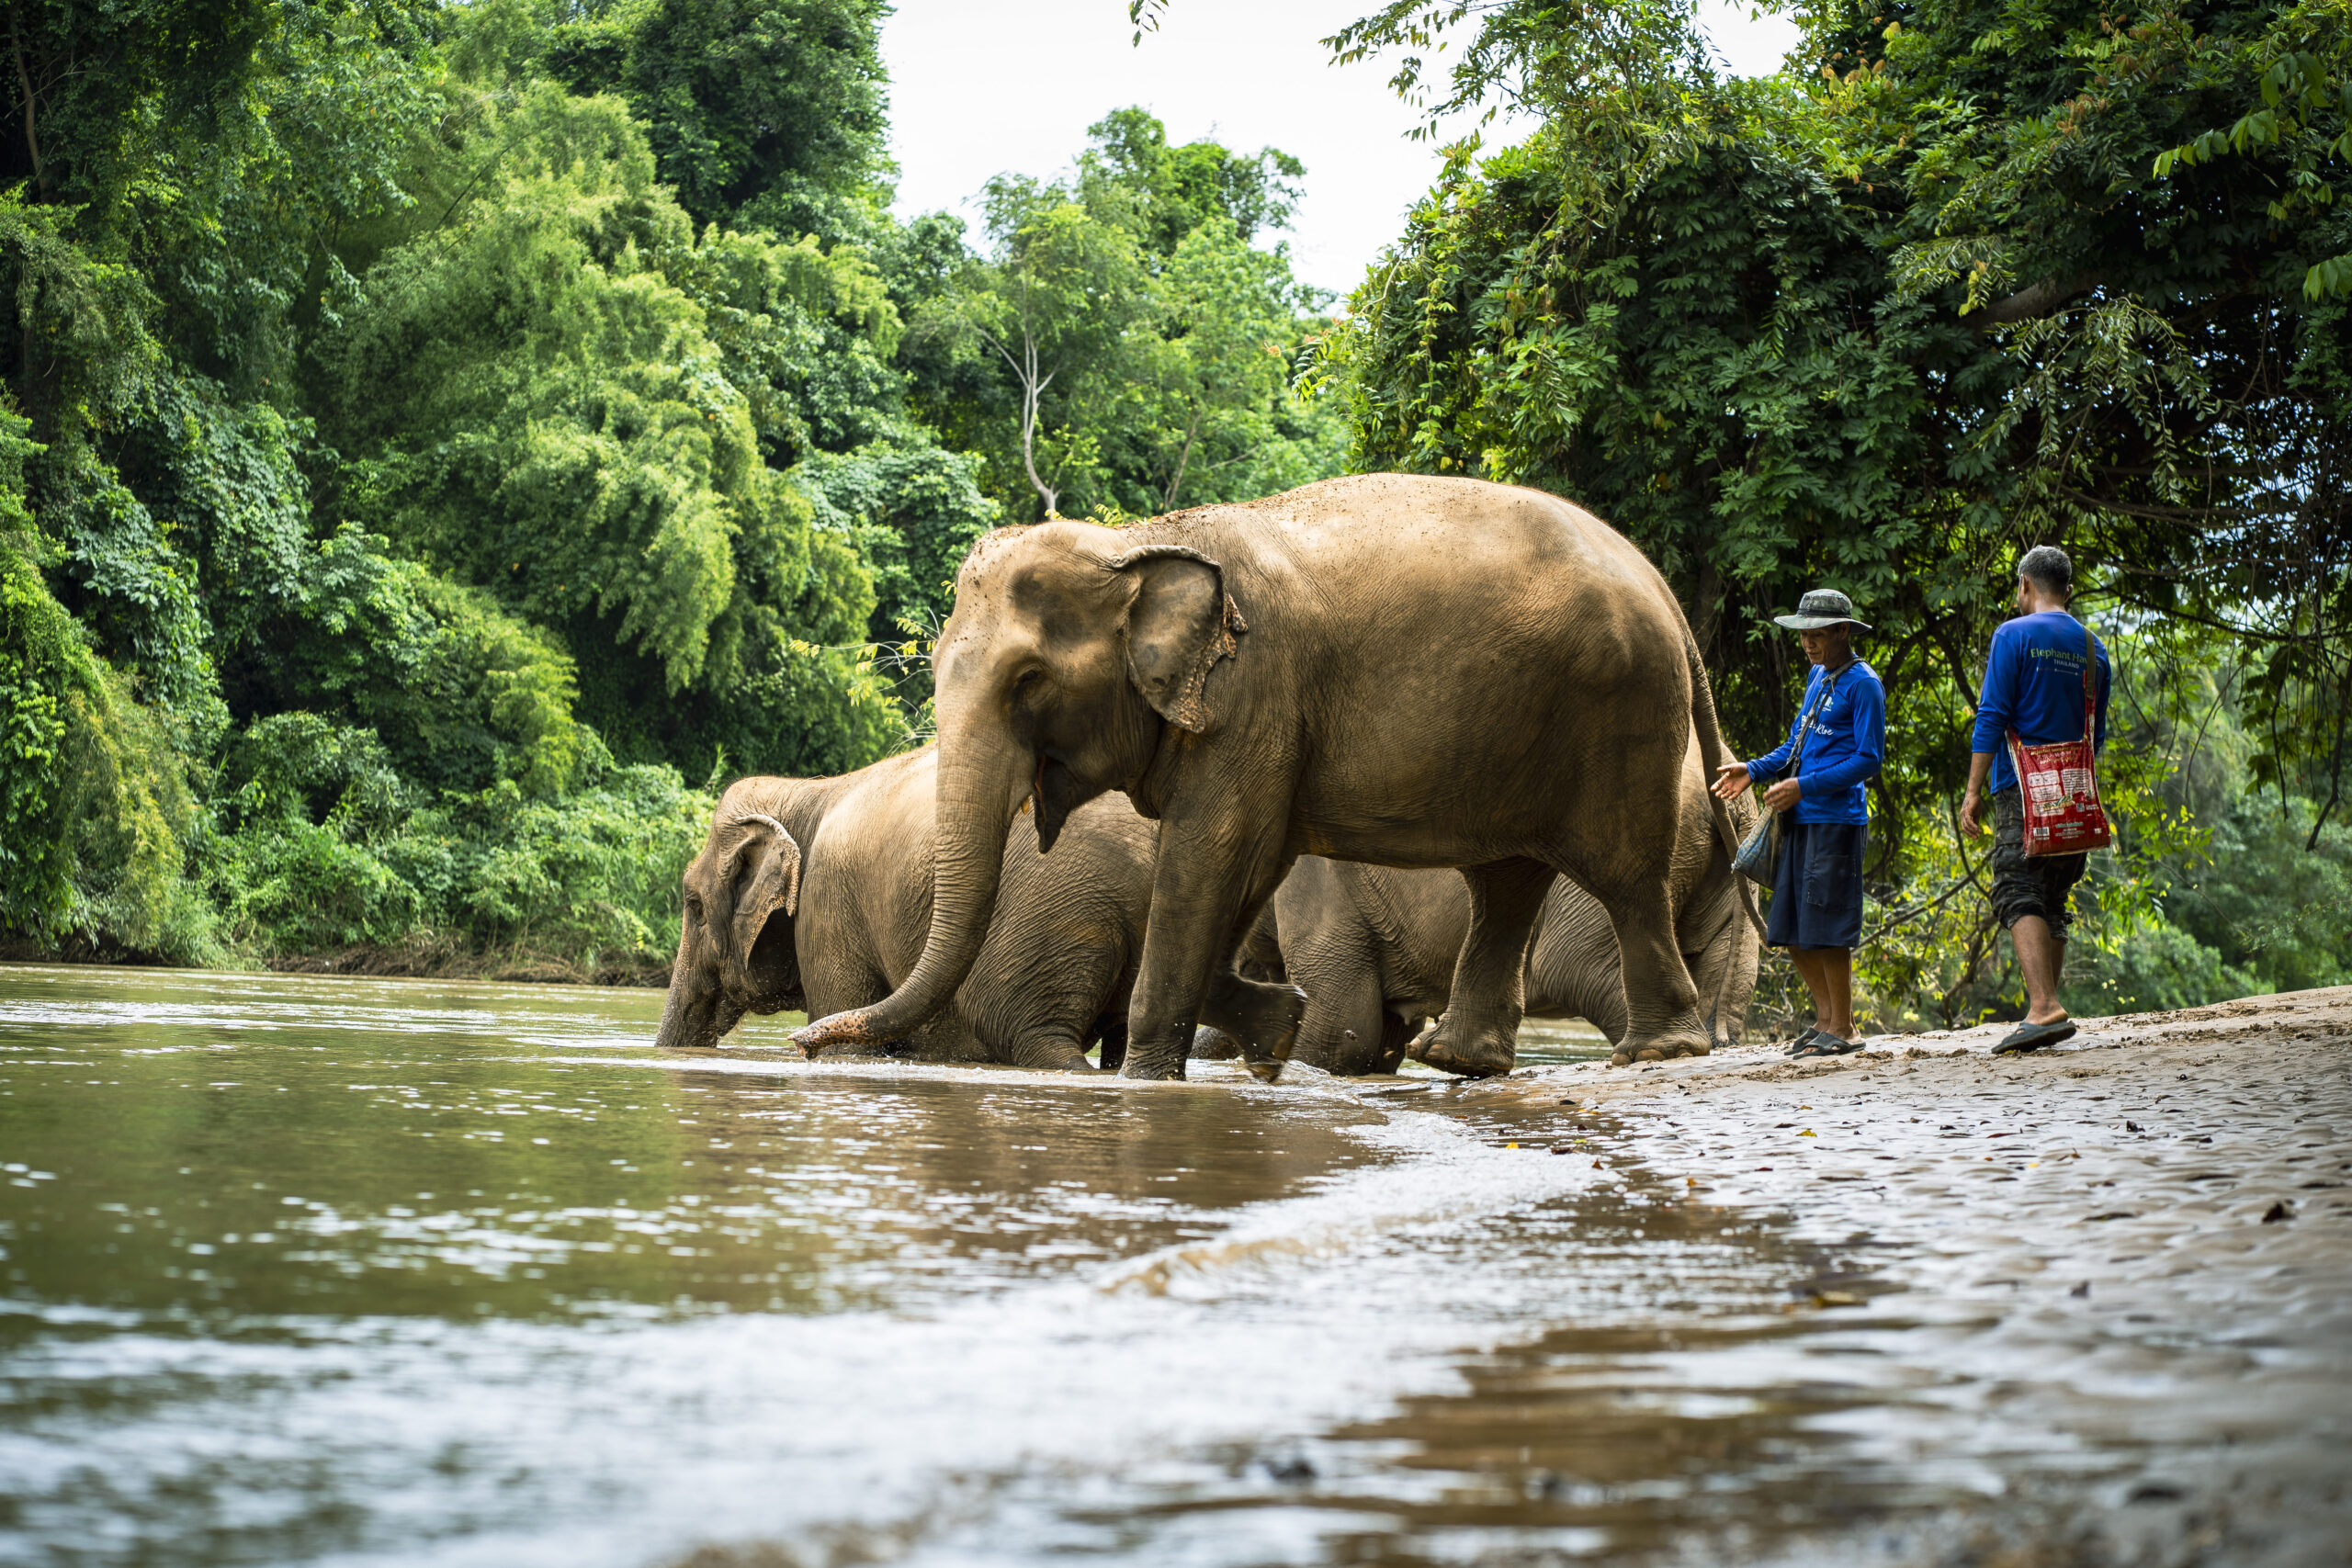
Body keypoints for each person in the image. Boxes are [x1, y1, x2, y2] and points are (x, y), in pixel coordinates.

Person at [1713, 589, 1886, 1056]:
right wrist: (1754, 769)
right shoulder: (1817, 677)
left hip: (1837, 821)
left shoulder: (1863, 685)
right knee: (1789, 928)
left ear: (1843, 632)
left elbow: (1869, 760)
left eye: (1818, 635)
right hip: (1801, 821)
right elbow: (1794, 747)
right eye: (1803, 635)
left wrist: (1803, 787)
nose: (1808, 643)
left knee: (1827, 928)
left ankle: (1845, 1028)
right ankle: (1827, 1020)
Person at [1960, 545, 2112, 1055]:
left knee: (2016, 887)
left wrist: (1973, 792)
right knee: (2055, 896)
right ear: (2067, 590)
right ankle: (2049, 1007)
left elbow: (1992, 716)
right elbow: (2098, 734)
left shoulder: (2012, 635)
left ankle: (2044, 1007)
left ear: (2025, 584)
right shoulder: (2095, 649)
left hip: (2021, 788)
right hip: (2076, 788)